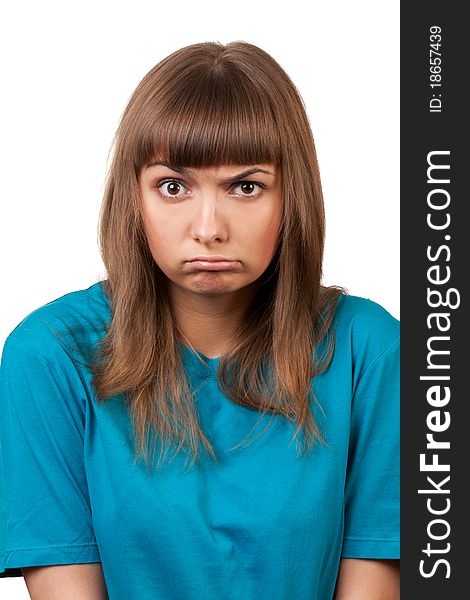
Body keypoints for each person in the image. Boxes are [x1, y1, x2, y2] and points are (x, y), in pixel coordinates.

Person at [0, 41, 399, 599]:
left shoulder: (369, 350)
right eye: (173, 186)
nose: (208, 227)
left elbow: (376, 576)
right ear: (133, 198)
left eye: (246, 187)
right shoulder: (50, 354)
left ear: (292, 198)